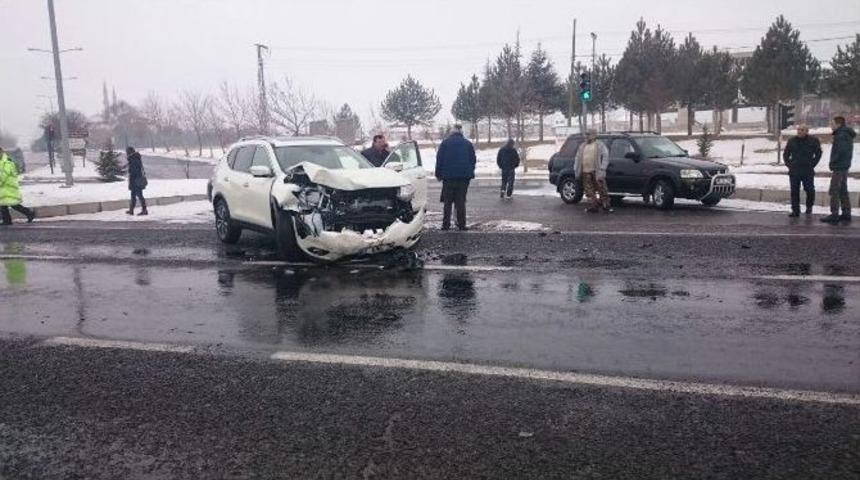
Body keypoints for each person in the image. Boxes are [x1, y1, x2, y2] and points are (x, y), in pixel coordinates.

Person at [435, 124, 476, 231]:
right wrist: (469, 171)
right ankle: (462, 225)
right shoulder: (467, 144)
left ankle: (446, 224)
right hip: (463, 177)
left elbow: (439, 159)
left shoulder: (445, 143)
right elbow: (473, 160)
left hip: (448, 177)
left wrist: (438, 174)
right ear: (461, 132)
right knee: (461, 201)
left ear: (452, 132)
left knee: (447, 202)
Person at [820, 116, 855, 224]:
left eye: (832, 124)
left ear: (838, 124)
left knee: (834, 189)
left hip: (839, 166)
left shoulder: (841, 135)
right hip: (844, 165)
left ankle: (834, 213)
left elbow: (841, 151)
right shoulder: (846, 134)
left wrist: (833, 162)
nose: (831, 126)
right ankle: (846, 212)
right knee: (843, 189)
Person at [783, 124, 822, 217]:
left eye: (802, 130)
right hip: (794, 170)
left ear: (807, 131)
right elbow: (786, 154)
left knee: (809, 189)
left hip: (807, 170)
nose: (799, 131)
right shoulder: (792, 141)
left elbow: (818, 153)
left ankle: (809, 207)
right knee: (794, 191)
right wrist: (789, 165)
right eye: (798, 130)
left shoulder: (813, 141)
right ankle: (795, 210)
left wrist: (813, 164)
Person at [574, 130, 612, 213]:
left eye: (588, 134)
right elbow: (577, 158)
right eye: (586, 134)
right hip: (585, 171)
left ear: (594, 135)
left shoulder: (599, 145)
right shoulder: (582, 145)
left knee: (601, 188)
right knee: (589, 190)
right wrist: (576, 169)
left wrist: (602, 168)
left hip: (596, 171)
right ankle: (593, 205)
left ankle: (606, 205)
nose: (587, 136)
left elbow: (605, 156)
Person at [0, 146, 35, 225]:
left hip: (8, 187)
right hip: (4, 188)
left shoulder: (7, 162)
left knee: (13, 204)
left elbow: (4, 175)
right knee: (3, 204)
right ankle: (7, 220)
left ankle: (29, 212)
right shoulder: (2, 161)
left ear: (1, 152)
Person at [126, 146, 148, 216]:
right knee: (133, 195)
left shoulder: (134, 159)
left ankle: (144, 210)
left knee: (140, 195)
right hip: (135, 180)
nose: (127, 153)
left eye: (127, 152)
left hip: (136, 181)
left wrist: (132, 175)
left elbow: (135, 170)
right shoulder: (134, 158)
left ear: (130, 152)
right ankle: (131, 210)